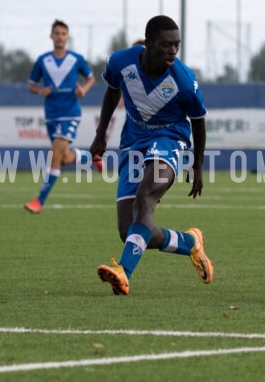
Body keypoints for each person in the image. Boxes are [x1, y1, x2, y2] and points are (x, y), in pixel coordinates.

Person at [91, 15, 213, 295]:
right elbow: (111, 93)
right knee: (131, 229)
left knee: (146, 195)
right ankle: (189, 243)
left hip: (170, 140)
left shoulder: (183, 79)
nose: (172, 51)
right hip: (134, 142)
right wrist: (101, 135)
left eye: (177, 45)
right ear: (148, 43)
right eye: (166, 45)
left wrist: (198, 165)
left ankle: (124, 272)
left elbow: (199, 120)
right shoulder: (121, 62)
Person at [24, 19, 101, 214]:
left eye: (63, 34)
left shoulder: (76, 59)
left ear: (67, 37)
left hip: (70, 112)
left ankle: (39, 201)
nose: (60, 37)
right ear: (51, 36)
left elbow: (91, 78)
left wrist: (83, 89)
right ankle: (92, 155)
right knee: (64, 158)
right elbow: (31, 85)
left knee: (55, 153)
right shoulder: (42, 60)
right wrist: (39, 90)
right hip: (51, 114)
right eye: (56, 33)